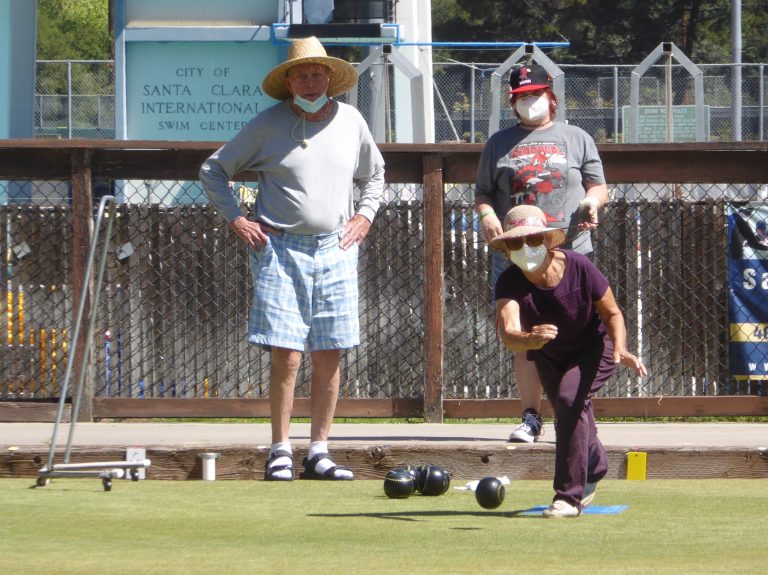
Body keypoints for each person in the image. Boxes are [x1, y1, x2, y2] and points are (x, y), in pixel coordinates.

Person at [199, 36, 385, 481]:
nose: (309, 80)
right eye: (301, 74)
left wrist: (365, 215)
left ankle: (319, 449)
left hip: (337, 246)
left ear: (329, 77)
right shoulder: (266, 125)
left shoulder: (352, 121)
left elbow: (375, 174)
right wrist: (237, 219)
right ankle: (280, 448)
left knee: (330, 351)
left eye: (316, 72)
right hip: (279, 248)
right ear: (289, 81)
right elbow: (213, 170)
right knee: (286, 354)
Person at [475, 63, 610, 443]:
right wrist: (486, 214)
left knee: (579, 333)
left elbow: (598, 185)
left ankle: (577, 412)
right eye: (521, 97)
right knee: (524, 335)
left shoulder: (576, 136)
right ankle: (531, 416)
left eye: (534, 95)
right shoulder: (498, 143)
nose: (529, 102)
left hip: (568, 251)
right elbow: (483, 191)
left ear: (551, 97)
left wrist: (589, 204)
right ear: (512, 103)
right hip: (519, 253)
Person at [491, 204, 647, 517]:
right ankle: (595, 461)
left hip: (594, 347)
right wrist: (528, 339)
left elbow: (612, 312)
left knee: (569, 398)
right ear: (506, 250)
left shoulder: (579, 267)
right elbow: (508, 332)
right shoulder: (509, 282)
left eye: (532, 240)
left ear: (548, 241)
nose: (525, 248)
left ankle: (568, 497)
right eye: (516, 243)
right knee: (571, 408)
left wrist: (620, 346)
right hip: (548, 353)